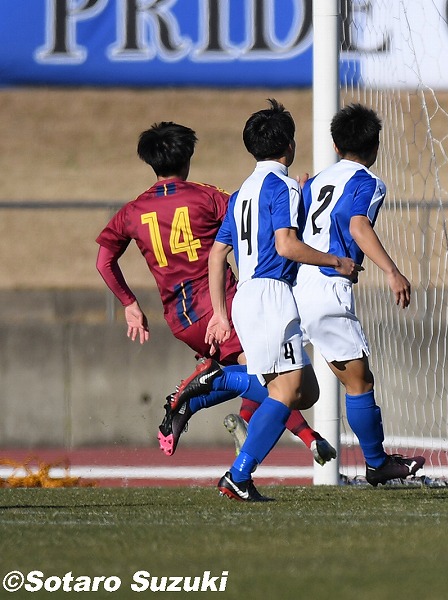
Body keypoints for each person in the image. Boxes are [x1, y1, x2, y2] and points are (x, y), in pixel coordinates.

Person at [95, 121, 335, 464]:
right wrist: (300, 197)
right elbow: (254, 219)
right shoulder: (206, 197)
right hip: (221, 308)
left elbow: (104, 260)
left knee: (268, 376)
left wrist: (129, 303)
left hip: (180, 320)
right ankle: (199, 397)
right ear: (188, 157)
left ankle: (223, 421)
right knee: (274, 381)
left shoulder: (133, 210)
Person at [205, 99, 360, 501]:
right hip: (272, 295)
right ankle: (239, 475)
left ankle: (228, 391)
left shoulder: (241, 192)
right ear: (288, 146)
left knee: (304, 391)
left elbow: (218, 253)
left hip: (246, 298)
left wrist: (221, 314)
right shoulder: (284, 186)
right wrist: (336, 261)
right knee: (288, 391)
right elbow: (287, 245)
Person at [294, 103, 425, 486]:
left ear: (335, 144)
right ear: (376, 146)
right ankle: (376, 463)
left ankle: (213, 393)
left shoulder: (316, 181)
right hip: (327, 287)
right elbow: (357, 225)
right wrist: (392, 271)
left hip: (295, 285)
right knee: (359, 383)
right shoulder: (368, 182)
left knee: (279, 380)